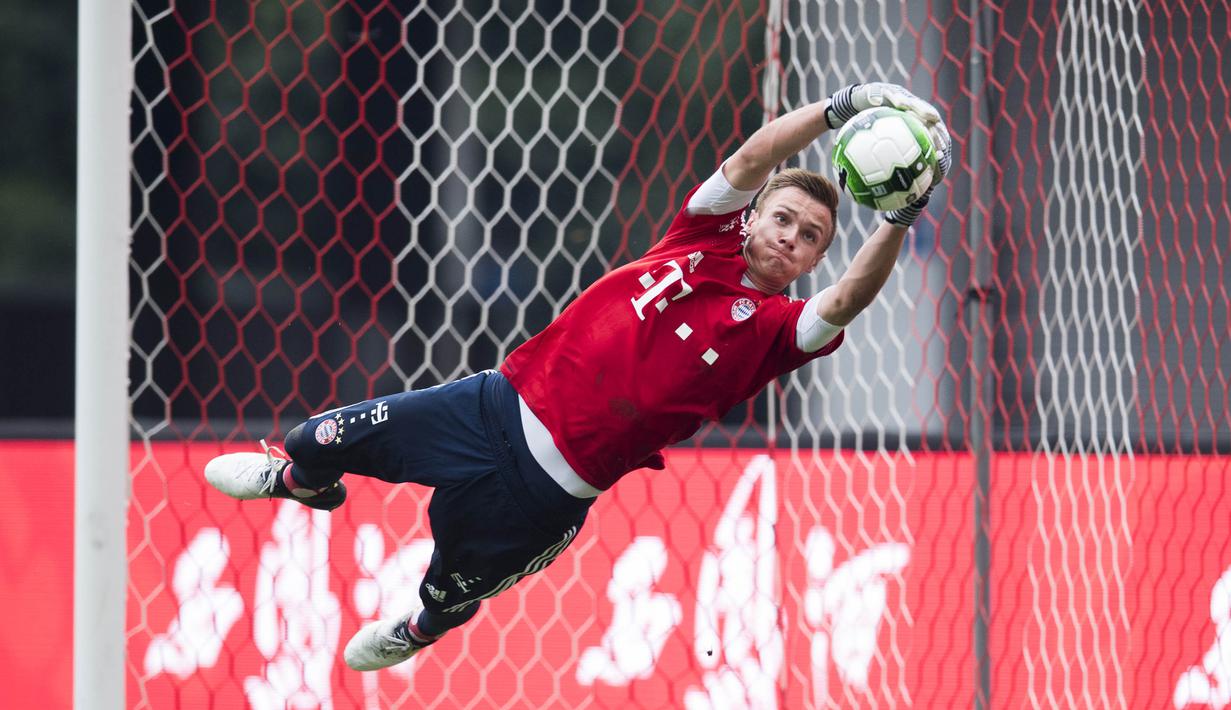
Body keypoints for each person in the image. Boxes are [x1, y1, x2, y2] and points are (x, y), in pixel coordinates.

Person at [204, 82, 953, 672]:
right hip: (490, 405)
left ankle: (417, 629)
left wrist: (899, 214)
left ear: (814, 260)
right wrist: (843, 107)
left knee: (445, 593)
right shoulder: (699, 233)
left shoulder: (775, 334)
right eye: (783, 219)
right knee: (316, 437)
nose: (789, 237)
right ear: (755, 216)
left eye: (810, 238)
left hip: (547, 493)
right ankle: (301, 483)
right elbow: (757, 151)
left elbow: (851, 299)